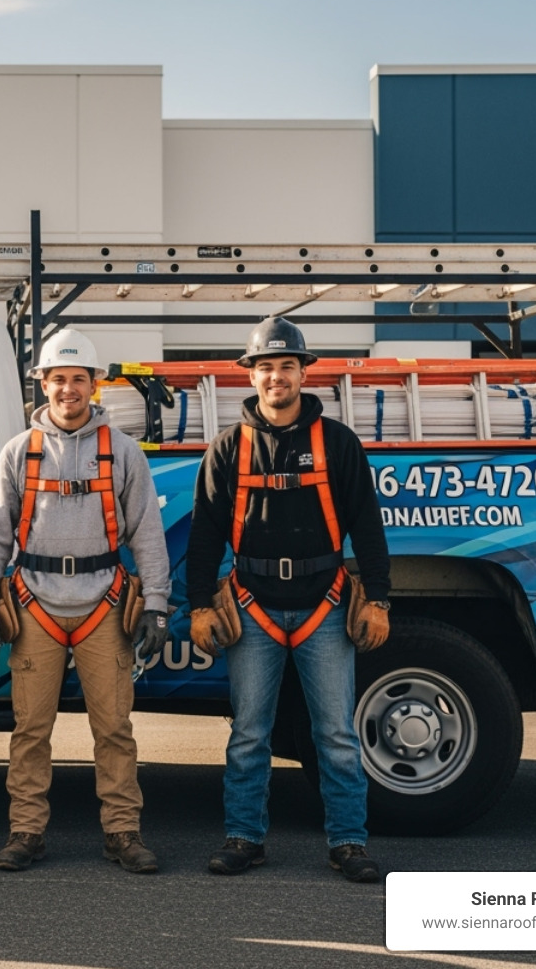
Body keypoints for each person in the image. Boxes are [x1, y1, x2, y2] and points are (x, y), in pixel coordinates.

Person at [186, 316, 391, 884]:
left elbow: (368, 529)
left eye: (286, 365)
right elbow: (204, 533)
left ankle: (349, 842)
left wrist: (379, 599)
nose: (276, 376)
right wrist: (200, 604)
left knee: (337, 735)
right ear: (250, 376)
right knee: (249, 732)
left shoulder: (338, 444)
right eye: (266, 367)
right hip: (251, 607)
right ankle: (244, 838)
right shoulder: (229, 448)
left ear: (304, 372)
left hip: (324, 605)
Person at [0, 329, 171, 874]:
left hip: (103, 605)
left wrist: (156, 604)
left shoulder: (122, 451)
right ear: (43, 384)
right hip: (34, 604)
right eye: (58, 379)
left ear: (94, 384)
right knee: (30, 729)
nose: (68, 389)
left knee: (113, 728)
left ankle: (123, 833)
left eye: (78, 379)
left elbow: (147, 535)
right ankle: (26, 831)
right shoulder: (19, 452)